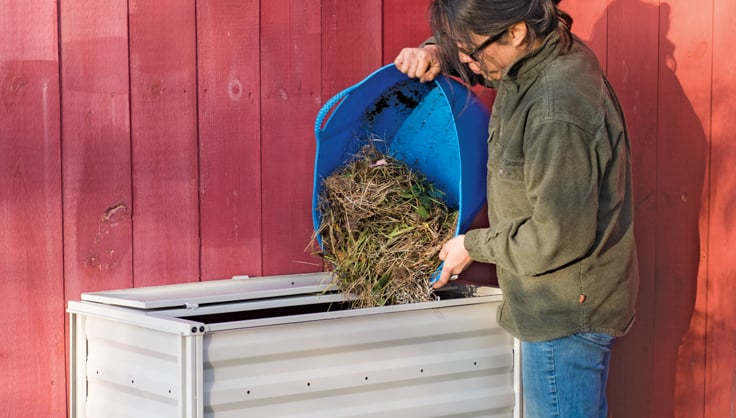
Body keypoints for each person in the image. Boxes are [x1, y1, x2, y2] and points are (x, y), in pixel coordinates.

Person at [394, 1, 640, 417]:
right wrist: (436, 52)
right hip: (561, 300)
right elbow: (482, 58)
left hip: (564, 313)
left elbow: (556, 236)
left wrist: (473, 244)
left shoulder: (556, 109)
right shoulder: (537, 53)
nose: (469, 61)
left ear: (515, 32)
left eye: (471, 50)